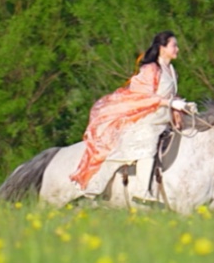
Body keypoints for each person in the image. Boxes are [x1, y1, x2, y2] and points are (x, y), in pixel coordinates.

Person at [70, 30, 197, 191]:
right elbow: (143, 96)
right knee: (148, 143)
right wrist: (170, 103)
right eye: (174, 45)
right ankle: (140, 190)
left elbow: (169, 94)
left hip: (165, 118)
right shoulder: (151, 69)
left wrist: (183, 104)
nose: (177, 49)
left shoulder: (171, 70)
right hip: (149, 117)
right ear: (162, 48)